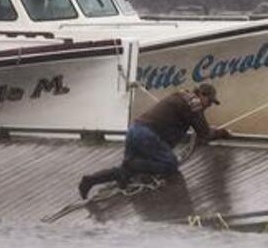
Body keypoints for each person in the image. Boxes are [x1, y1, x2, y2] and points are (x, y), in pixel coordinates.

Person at [78, 82, 231, 199]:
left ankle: (90, 180)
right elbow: (204, 133)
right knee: (170, 164)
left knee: (124, 172)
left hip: (134, 130)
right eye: (209, 102)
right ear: (202, 95)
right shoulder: (194, 103)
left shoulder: (181, 95)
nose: (209, 106)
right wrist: (222, 133)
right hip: (146, 135)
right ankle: (132, 164)